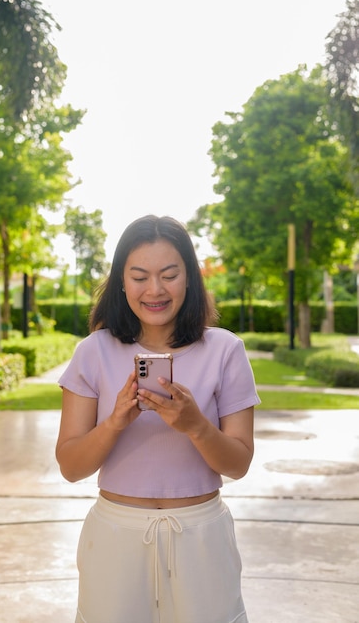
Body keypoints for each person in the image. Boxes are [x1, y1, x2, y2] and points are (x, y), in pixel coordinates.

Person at [56, 214, 260, 623]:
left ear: (189, 278)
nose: (155, 289)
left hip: (201, 535)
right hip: (115, 537)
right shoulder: (93, 351)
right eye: (139, 276)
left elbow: (238, 464)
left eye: (169, 274)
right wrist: (115, 421)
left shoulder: (225, 350)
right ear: (121, 281)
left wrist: (195, 426)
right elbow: (71, 466)